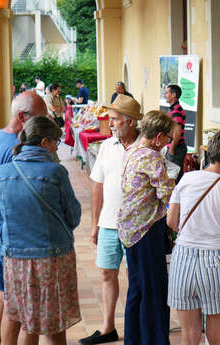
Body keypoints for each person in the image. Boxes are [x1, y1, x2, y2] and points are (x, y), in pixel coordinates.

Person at [0, 116, 82, 345]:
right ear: (44, 142)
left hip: (15, 260)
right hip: (51, 260)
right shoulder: (55, 172)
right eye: (56, 142)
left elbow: (1, 214)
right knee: (54, 326)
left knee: (26, 322)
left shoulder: (1, 173)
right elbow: (73, 217)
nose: (57, 147)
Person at [167, 128, 220, 345]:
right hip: (215, 260)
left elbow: (171, 222)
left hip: (182, 257)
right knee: (217, 334)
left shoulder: (187, 179)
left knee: (190, 334)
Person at [79, 95, 142, 345]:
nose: (111, 124)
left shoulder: (144, 147)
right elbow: (98, 186)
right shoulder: (106, 146)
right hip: (108, 223)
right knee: (107, 273)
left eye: (115, 119)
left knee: (135, 276)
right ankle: (108, 328)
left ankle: (136, 326)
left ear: (131, 121)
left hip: (137, 227)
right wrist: (95, 223)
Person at [0, 91, 47, 345]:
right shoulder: (16, 149)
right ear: (23, 118)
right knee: (24, 311)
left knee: (2, 295)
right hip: (12, 236)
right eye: (41, 120)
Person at [117, 110, 175, 345]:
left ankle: (134, 339)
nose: (169, 143)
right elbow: (167, 195)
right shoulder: (152, 156)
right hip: (146, 230)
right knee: (154, 292)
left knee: (138, 290)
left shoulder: (132, 150)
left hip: (131, 231)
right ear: (159, 137)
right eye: (169, 138)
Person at [164, 84, 187, 182]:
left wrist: (172, 149)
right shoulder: (174, 108)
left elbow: (177, 131)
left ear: (173, 95)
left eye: (166, 93)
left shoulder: (176, 110)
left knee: (173, 178)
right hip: (176, 147)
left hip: (176, 148)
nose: (165, 95)